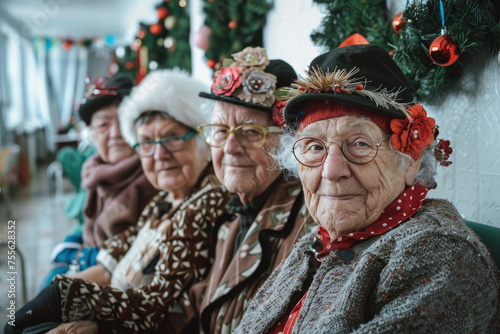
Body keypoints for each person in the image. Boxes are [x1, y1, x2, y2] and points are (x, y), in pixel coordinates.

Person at [234, 44, 499, 333]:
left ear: (410, 162)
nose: (332, 171)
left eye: (359, 143)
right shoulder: (315, 243)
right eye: (313, 146)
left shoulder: (438, 251)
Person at [4, 70, 231, 334]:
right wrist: (58, 291)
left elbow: (152, 310)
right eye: (147, 142)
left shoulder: (205, 202)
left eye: (172, 138)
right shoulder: (165, 199)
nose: (160, 154)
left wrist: (68, 300)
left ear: (202, 141)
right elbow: (110, 259)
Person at [161, 47, 314, 334]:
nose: (230, 148)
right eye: (220, 131)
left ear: (286, 144)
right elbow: (202, 302)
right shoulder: (234, 209)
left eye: (251, 132)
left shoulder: (306, 225)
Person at [44, 74, 158, 284]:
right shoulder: (95, 170)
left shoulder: (154, 172)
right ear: (93, 133)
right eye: (104, 125)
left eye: (124, 122)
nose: (115, 133)